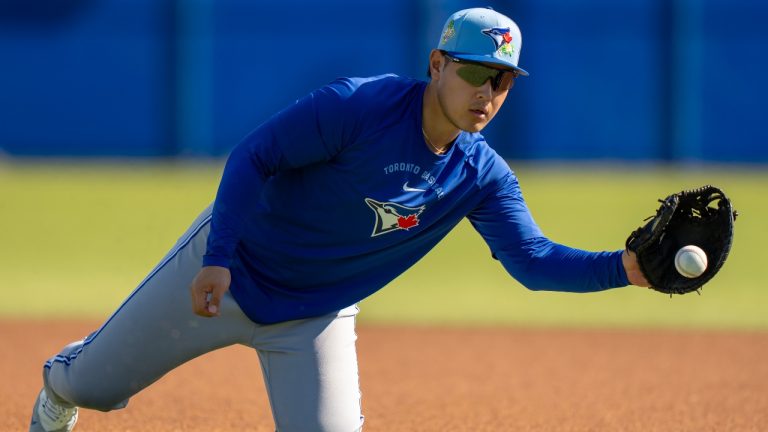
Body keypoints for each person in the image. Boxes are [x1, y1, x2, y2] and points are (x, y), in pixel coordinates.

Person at [30, 7, 649, 432]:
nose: (488, 93)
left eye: (503, 81)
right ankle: (62, 383)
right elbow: (255, 157)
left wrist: (631, 268)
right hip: (228, 270)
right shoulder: (360, 106)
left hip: (314, 315)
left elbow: (534, 263)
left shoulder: (482, 175)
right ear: (437, 65)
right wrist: (216, 258)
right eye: (476, 73)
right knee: (93, 390)